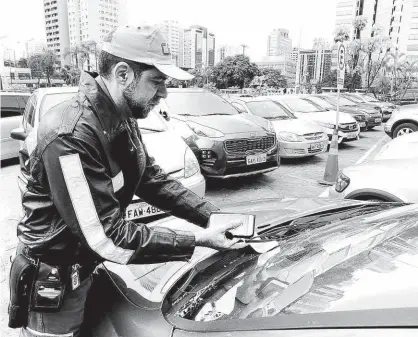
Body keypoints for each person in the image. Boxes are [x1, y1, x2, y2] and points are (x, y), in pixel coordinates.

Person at [11, 25, 246, 337]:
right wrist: (197, 240)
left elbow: (151, 180)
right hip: (54, 280)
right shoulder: (72, 134)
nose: (164, 93)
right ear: (123, 74)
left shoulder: (120, 117)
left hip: (85, 266)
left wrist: (215, 217)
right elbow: (106, 237)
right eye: (157, 81)